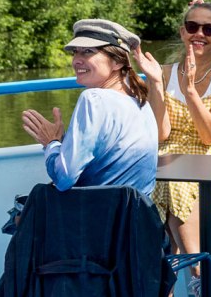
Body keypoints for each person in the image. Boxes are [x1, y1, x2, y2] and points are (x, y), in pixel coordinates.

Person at [137, 0, 211, 258]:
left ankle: (196, 268)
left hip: (207, 170)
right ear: (183, 32)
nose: (199, 34)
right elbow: (161, 133)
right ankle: (194, 272)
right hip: (166, 167)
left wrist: (191, 92)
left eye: (208, 30)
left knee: (173, 188)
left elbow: (209, 136)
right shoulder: (161, 73)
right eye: (192, 26)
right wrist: (153, 82)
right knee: (165, 186)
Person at [20, 19, 159, 195]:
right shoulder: (142, 103)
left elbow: (64, 178)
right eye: (75, 53)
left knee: (24, 210)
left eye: (87, 52)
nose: (76, 60)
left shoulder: (93, 99)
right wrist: (66, 144)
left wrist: (51, 143)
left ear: (118, 62)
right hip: (135, 218)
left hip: (96, 218)